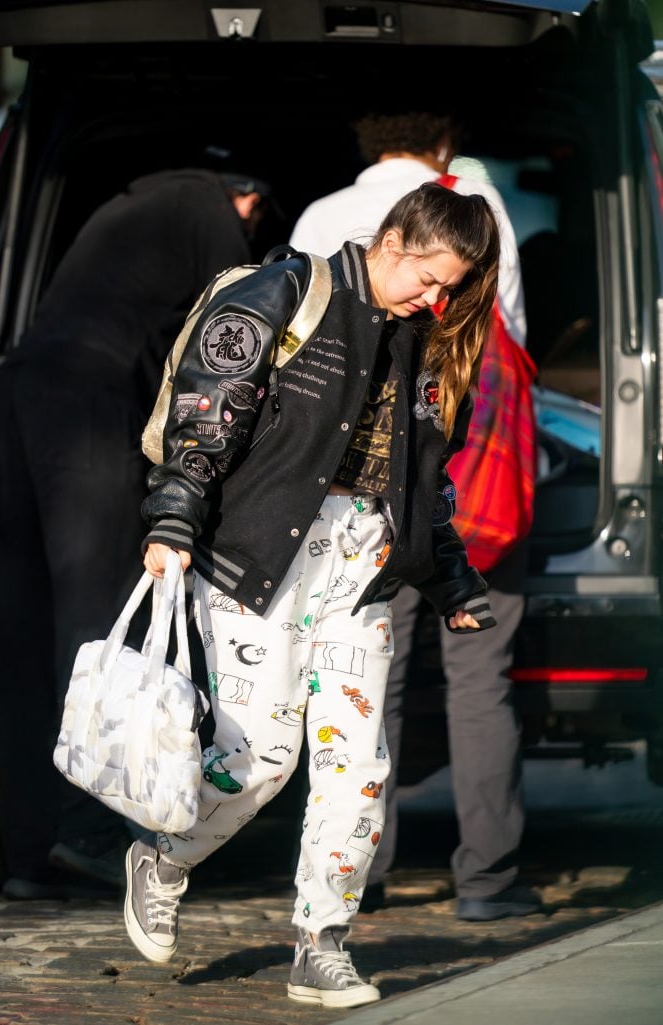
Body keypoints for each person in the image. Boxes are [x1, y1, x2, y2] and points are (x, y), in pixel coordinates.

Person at [123, 182, 500, 1010]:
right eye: (431, 277)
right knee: (259, 757)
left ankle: (321, 942)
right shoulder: (284, 292)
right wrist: (174, 520)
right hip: (260, 554)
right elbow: (206, 410)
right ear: (394, 239)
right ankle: (164, 855)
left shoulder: (431, 345)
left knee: (356, 765)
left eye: (452, 287)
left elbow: (422, 483)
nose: (437, 298)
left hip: (361, 569)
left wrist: (451, 580)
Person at [0, 166, 269, 900]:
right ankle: (87, 833)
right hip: (84, 400)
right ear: (250, 200)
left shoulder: (136, 200)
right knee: (94, 626)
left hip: (16, 391)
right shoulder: (211, 206)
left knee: (25, 628)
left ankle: (25, 851)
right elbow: (235, 327)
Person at [290, 111, 541, 921]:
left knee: (366, 686)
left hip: (362, 496)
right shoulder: (475, 206)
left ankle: (358, 876)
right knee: (479, 680)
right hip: (468, 490)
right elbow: (509, 343)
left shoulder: (319, 220)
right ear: (440, 145)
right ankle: (487, 882)